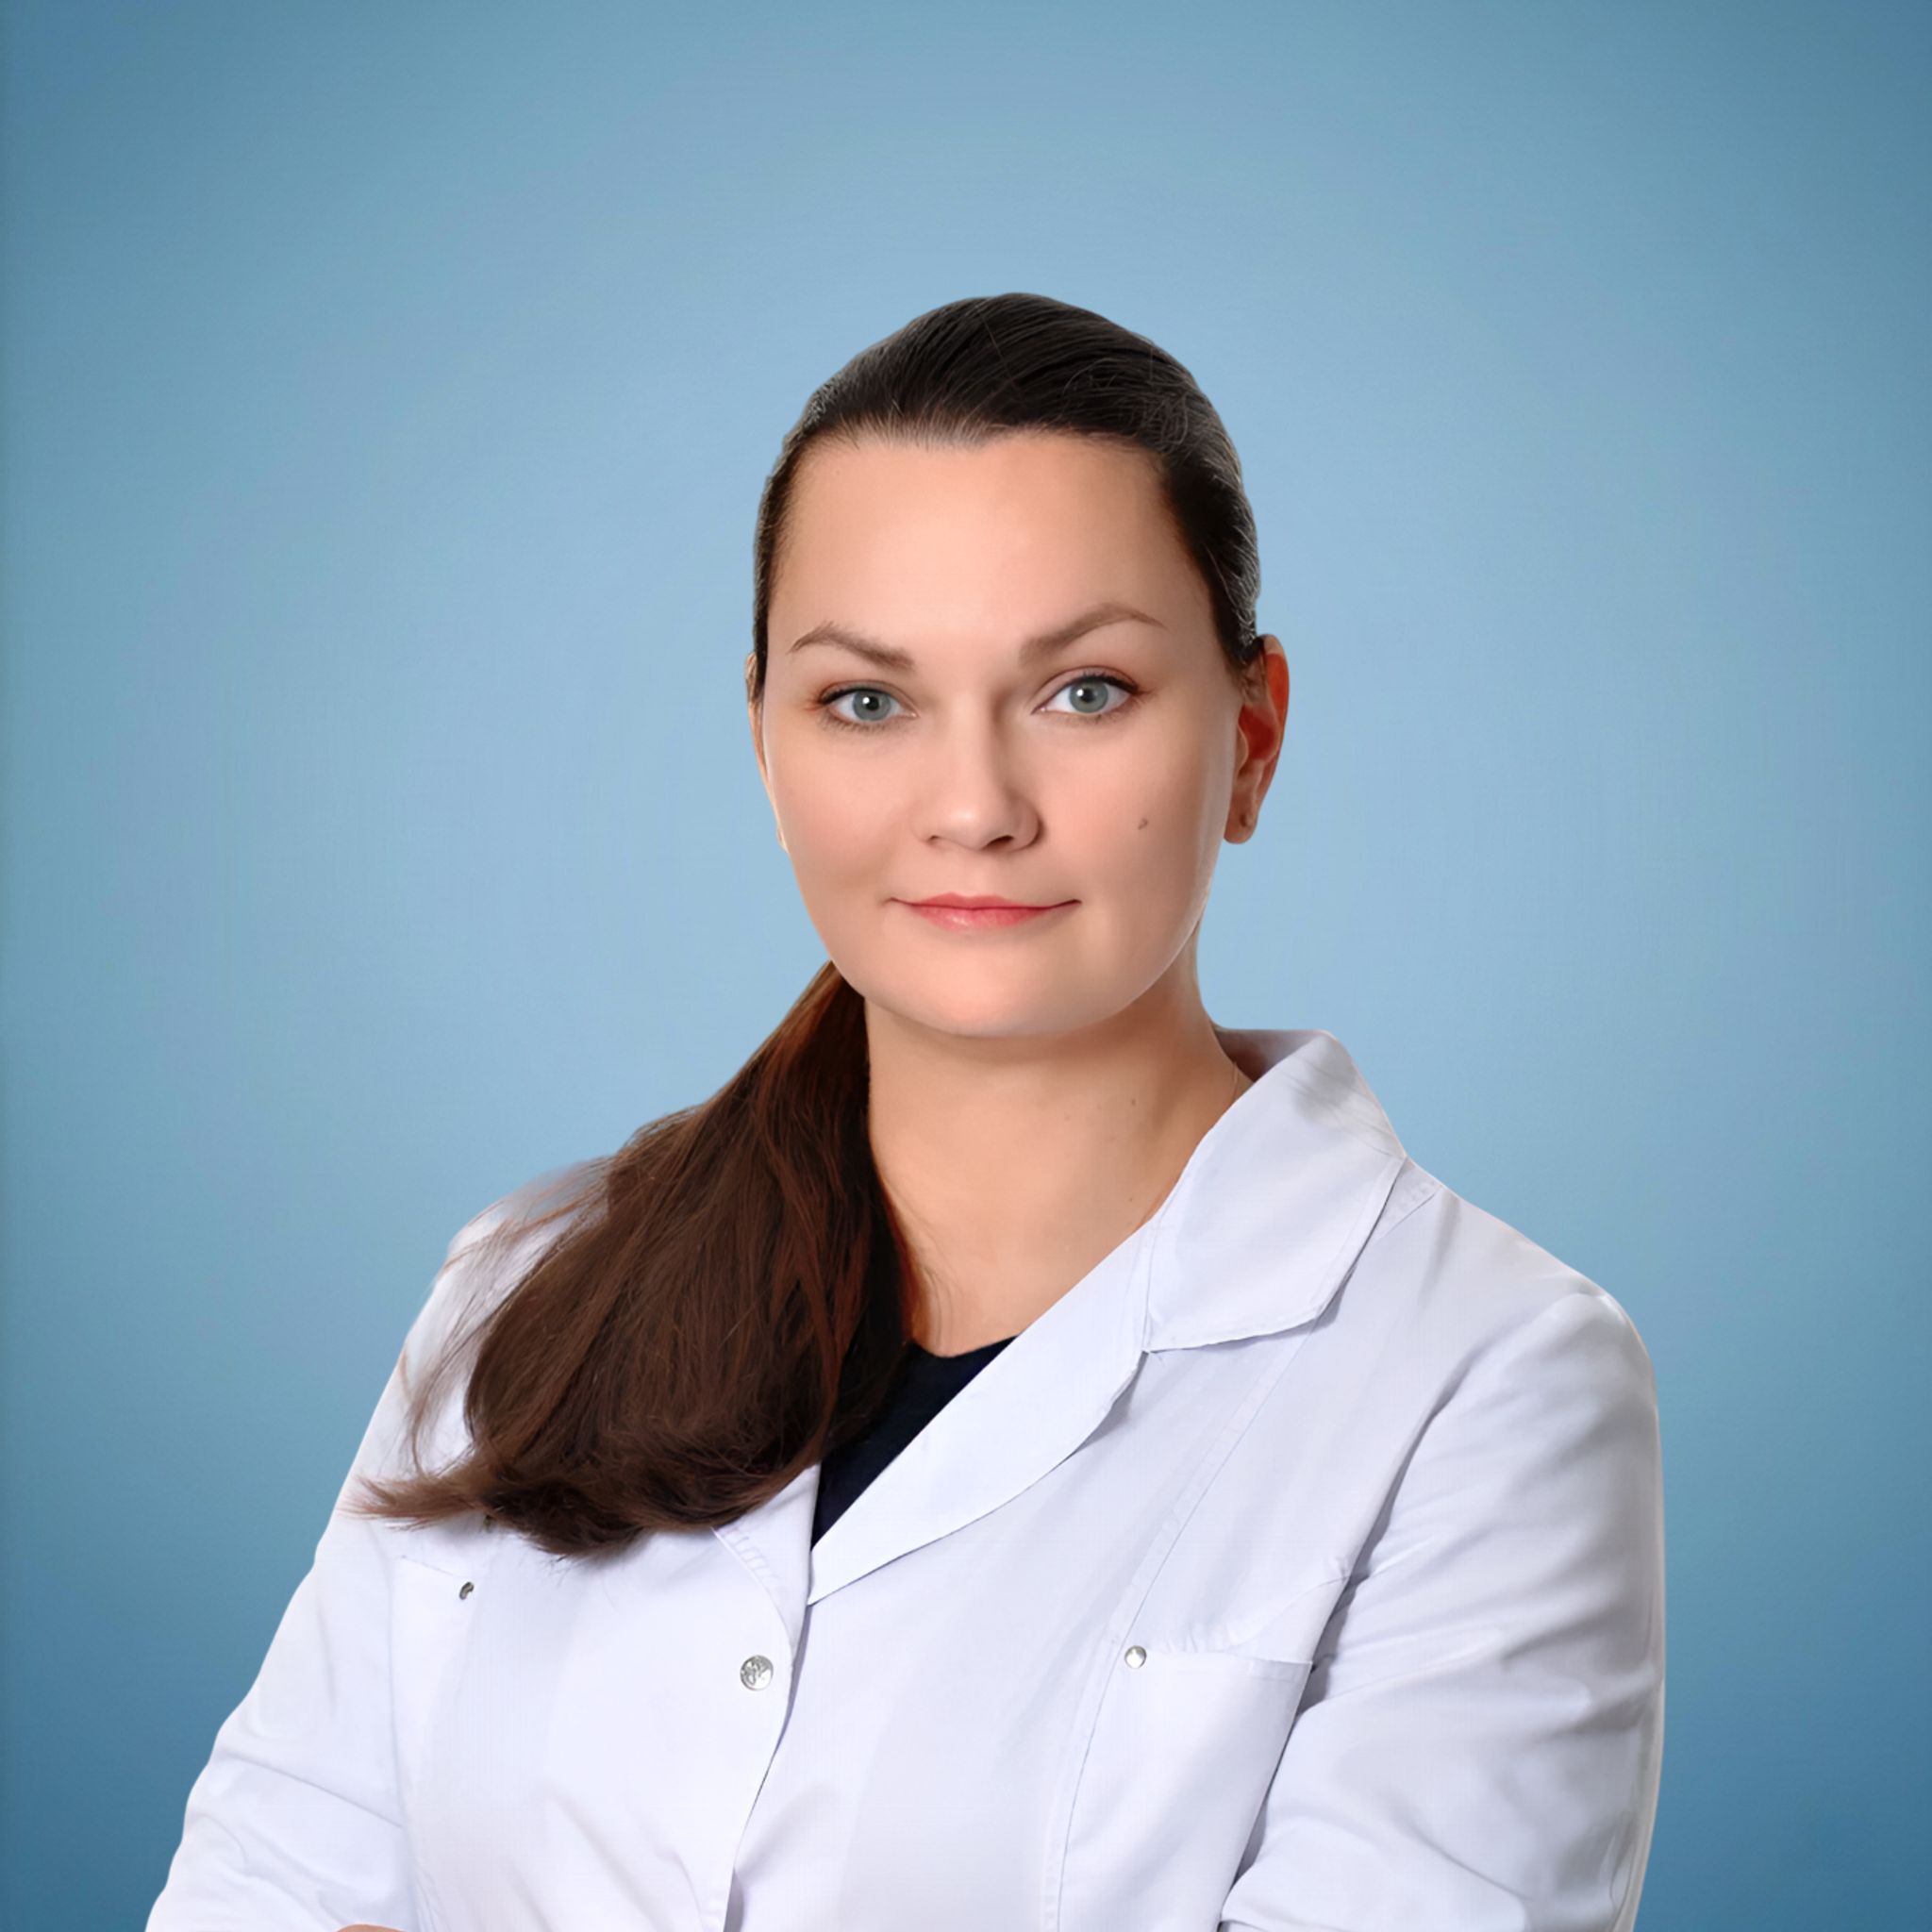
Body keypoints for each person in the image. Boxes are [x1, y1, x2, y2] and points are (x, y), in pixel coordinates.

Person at [148, 291, 1665, 1931]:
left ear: (1252, 737)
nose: (973, 809)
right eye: (867, 701)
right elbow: (260, 1889)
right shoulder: (525, 1287)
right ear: (764, 740)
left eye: (1085, 691)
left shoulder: (1489, 1383)